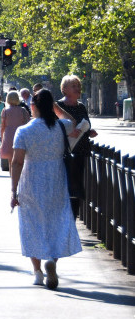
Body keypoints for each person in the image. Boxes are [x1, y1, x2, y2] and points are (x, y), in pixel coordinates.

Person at [10, 89, 82, 288]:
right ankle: (52, 259)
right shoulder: (61, 126)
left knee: (32, 224)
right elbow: (73, 122)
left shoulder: (24, 131)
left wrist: (13, 190)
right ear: (51, 107)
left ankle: (38, 272)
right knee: (56, 222)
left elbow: (16, 163)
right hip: (56, 180)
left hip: (31, 180)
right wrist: (56, 107)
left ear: (32, 106)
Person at [54, 74, 97, 218]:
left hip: (80, 151)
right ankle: (63, 217)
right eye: (74, 86)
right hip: (63, 153)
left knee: (77, 187)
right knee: (65, 186)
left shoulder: (81, 106)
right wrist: (68, 133)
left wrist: (88, 132)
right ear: (65, 89)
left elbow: (85, 125)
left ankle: (73, 218)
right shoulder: (58, 106)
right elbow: (52, 129)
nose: (78, 88)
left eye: (78, 86)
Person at [0, 90, 30, 173]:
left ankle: (12, 180)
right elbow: (28, 124)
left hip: (8, 135)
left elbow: (2, 126)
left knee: (11, 160)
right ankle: (19, 179)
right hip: (20, 135)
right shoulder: (23, 110)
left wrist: (2, 138)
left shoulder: (5, 110)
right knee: (21, 160)